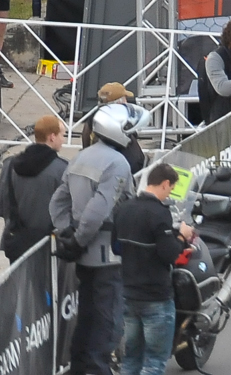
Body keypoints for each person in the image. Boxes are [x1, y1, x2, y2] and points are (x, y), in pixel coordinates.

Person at [51, 102, 142, 375]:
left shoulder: (82, 156)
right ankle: (99, 369)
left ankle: (80, 367)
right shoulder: (117, 163)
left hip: (84, 256)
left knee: (87, 316)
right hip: (107, 256)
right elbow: (98, 210)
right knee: (107, 320)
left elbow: (57, 202)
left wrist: (67, 233)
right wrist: (78, 239)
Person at [114, 163, 193, 375]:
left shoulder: (124, 208)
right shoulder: (159, 213)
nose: (170, 194)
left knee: (131, 359)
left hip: (129, 292)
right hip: (155, 296)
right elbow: (169, 254)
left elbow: (116, 246)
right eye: (171, 188)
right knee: (154, 362)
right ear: (165, 184)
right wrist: (182, 236)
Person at [0, 114, 65, 260]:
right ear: (52, 137)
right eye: (62, 135)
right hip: (47, 245)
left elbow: (3, 203)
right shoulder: (62, 169)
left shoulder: (10, 164)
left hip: (17, 241)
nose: (64, 140)